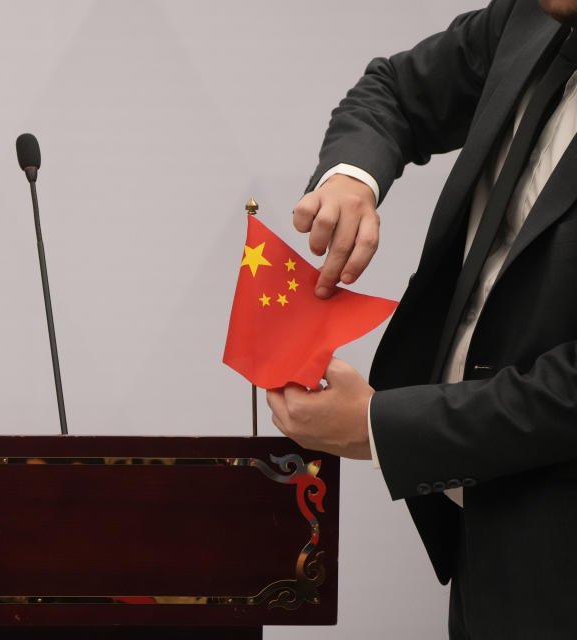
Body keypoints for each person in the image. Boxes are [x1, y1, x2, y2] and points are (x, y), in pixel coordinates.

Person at [265, 0, 577, 637]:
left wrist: (383, 428)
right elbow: (396, 92)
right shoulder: (529, 15)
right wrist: (354, 178)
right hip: (483, 538)